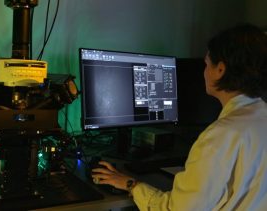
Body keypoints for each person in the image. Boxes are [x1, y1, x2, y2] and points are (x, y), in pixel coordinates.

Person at [92, 23, 267, 211]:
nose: (204, 72)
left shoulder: (220, 136)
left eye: (206, 64)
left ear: (220, 70)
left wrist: (131, 185)